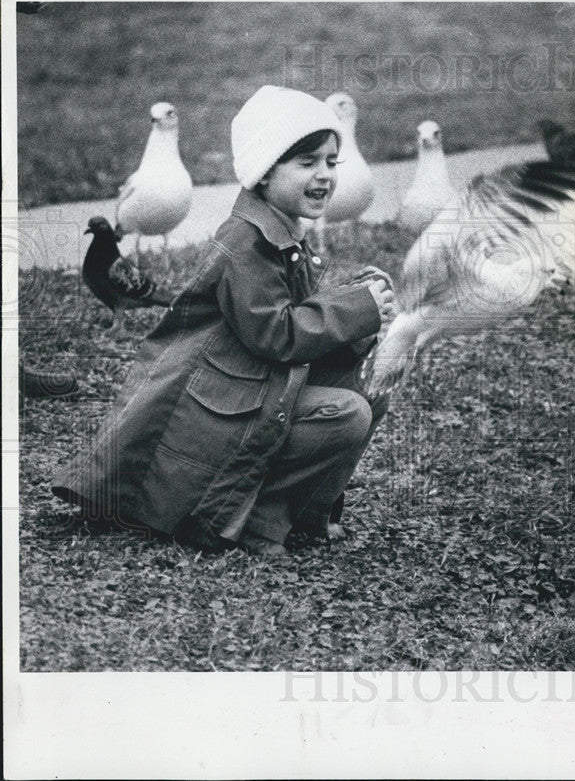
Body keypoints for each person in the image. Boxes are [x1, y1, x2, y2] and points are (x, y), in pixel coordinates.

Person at [53, 85, 395, 556]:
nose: (323, 176)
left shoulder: (280, 234)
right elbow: (278, 335)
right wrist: (355, 308)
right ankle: (255, 521)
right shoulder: (244, 242)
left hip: (251, 391)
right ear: (263, 172)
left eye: (330, 162)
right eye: (306, 162)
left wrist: (361, 323)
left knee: (367, 398)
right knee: (348, 414)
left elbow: (297, 333)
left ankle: (306, 516)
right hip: (218, 414)